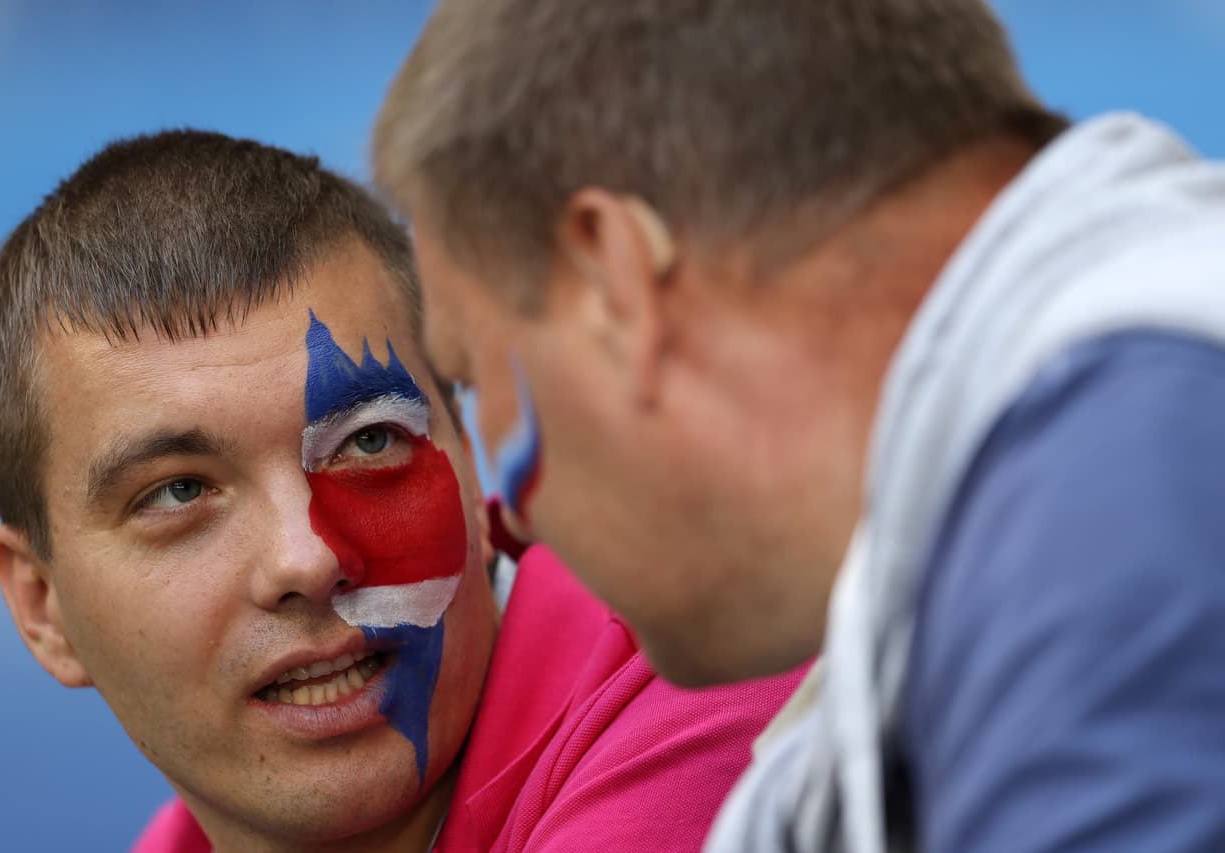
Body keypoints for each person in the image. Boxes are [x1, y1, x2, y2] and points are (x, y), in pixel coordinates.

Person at [373, 1, 1225, 850]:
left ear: (612, 281)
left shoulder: (1113, 485)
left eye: (475, 379)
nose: (514, 514)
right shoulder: (1006, 513)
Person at [0, 130, 802, 852]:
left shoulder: (702, 683)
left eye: (370, 443)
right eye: (179, 492)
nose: (310, 555)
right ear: (42, 606)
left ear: (470, 470)